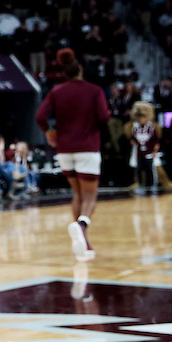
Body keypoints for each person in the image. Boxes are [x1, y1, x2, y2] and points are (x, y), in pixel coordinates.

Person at [35, 53, 111, 261]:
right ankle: (81, 225)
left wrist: (48, 130)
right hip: (87, 147)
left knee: (77, 193)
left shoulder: (56, 91)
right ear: (80, 71)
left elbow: (40, 116)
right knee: (90, 196)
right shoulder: (94, 91)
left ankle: (83, 244)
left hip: (64, 149)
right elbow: (104, 116)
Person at [126, 102, 160, 195]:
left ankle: (152, 185)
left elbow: (156, 140)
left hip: (149, 152)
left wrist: (155, 151)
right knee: (139, 169)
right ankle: (140, 185)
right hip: (139, 153)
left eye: (143, 118)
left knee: (150, 170)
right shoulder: (135, 128)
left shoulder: (152, 128)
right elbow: (131, 138)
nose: (142, 120)